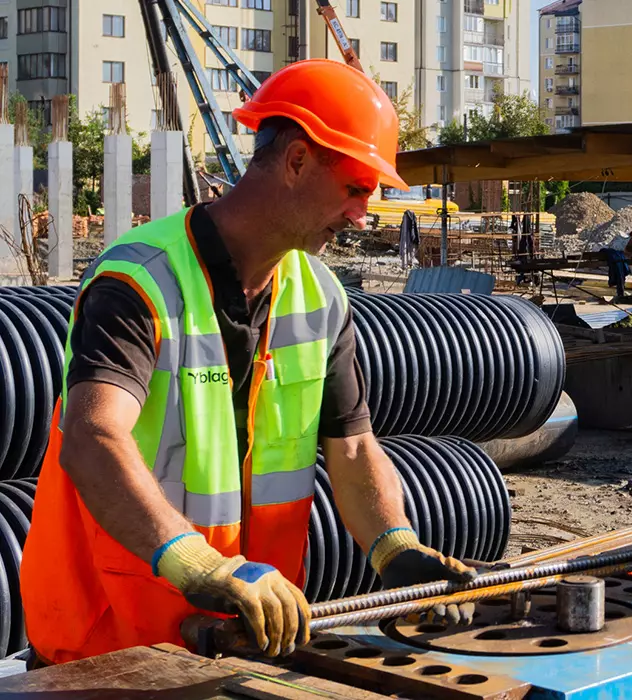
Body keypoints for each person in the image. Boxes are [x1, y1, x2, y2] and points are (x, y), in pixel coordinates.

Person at [20, 59, 477, 666]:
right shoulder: (140, 281)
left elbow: (354, 448)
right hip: (113, 643)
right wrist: (201, 565)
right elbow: (92, 435)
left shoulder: (319, 296)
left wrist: (394, 547)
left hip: (242, 638)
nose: (362, 214)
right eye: (355, 188)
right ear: (296, 161)